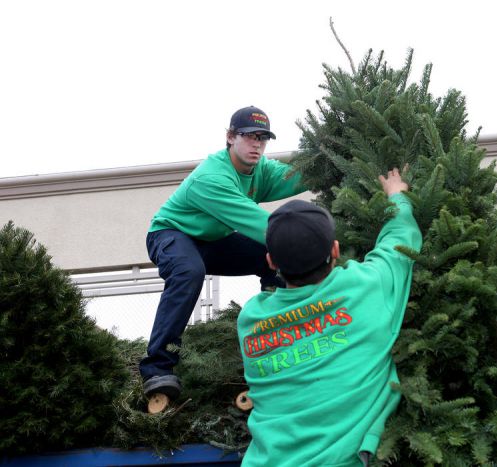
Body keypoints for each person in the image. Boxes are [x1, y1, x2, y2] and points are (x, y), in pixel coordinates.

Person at [237, 168, 422, 467]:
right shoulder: (366, 287)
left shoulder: (250, 320)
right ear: (335, 250)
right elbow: (400, 241)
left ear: (271, 262)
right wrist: (397, 194)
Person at [141, 106, 306, 402]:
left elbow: (300, 175)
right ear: (230, 137)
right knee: (189, 270)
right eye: (249, 137)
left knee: (275, 255)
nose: (257, 144)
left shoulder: (260, 170)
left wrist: (337, 159)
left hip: (211, 241)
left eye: (263, 139)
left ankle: (276, 336)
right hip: (170, 234)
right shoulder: (212, 178)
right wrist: (311, 242)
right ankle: (157, 368)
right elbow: (258, 223)